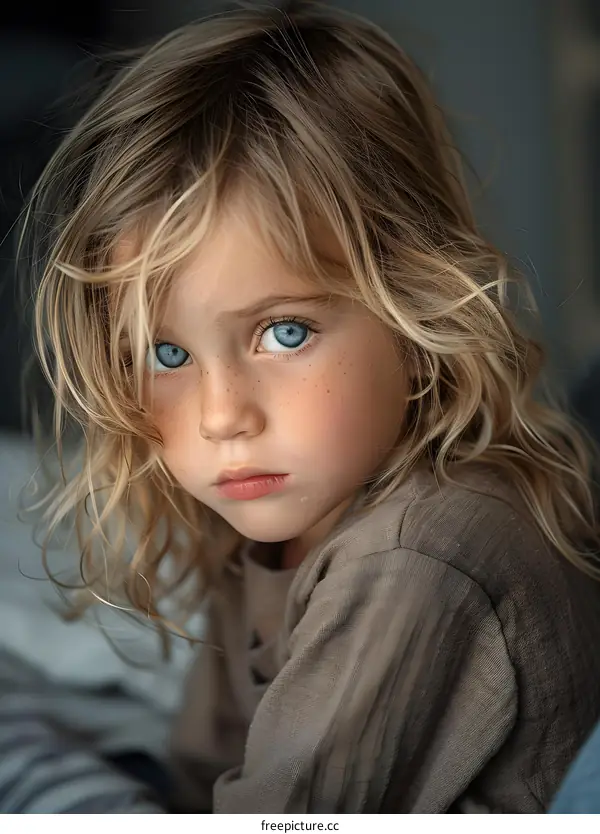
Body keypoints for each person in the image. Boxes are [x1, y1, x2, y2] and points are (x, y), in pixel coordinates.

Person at [19, 0, 600, 814]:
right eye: (167, 354)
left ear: (415, 301)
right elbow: (202, 779)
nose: (224, 417)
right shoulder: (280, 505)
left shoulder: (417, 556)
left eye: (284, 331)